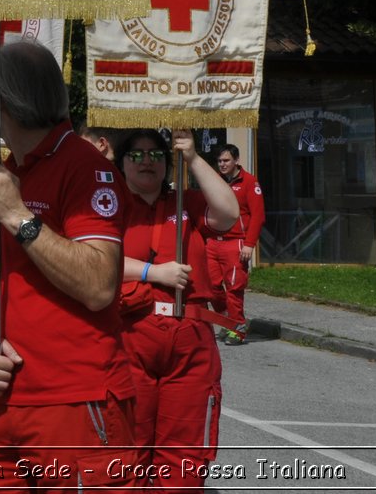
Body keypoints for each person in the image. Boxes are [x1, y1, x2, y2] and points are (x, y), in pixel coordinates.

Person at [0, 40, 140, 489]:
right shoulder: (6, 174)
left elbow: (99, 285)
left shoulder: (85, 167)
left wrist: (18, 216)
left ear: (5, 102)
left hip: (75, 402)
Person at [114, 128, 239, 492]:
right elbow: (91, 261)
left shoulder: (187, 204)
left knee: (182, 459)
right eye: (136, 155)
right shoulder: (109, 205)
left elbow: (229, 213)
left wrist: (193, 158)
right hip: (130, 339)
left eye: (156, 154)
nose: (146, 161)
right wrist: (153, 272)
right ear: (121, 163)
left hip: (189, 342)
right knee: (127, 450)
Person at [202, 142, 265, 343]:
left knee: (234, 287)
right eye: (219, 161)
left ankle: (237, 328)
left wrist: (249, 244)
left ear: (236, 160)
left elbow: (257, 216)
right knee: (210, 286)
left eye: (226, 160)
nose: (222, 164)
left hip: (235, 243)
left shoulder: (249, 182)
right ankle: (227, 319)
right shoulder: (216, 181)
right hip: (213, 242)